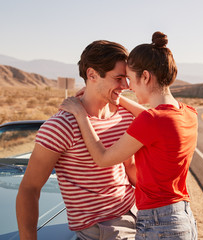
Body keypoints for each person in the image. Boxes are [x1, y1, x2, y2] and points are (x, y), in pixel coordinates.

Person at [59, 31, 198, 240]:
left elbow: (103, 159)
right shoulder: (188, 113)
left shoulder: (150, 121)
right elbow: (153, 118)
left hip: (158, 223)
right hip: (183, 217)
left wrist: (80, 114)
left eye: (130, 79)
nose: (128, 87)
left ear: (145, 76)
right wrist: (117, 98)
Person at [16, 40, 137, 240]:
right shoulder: (61, 126)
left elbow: (131, 169)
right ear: (92, 75)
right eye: (119, 78)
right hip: (103, 230)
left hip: (137, 213)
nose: (126, 86)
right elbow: (29, 188)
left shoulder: (125, 116)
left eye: (127, 78)